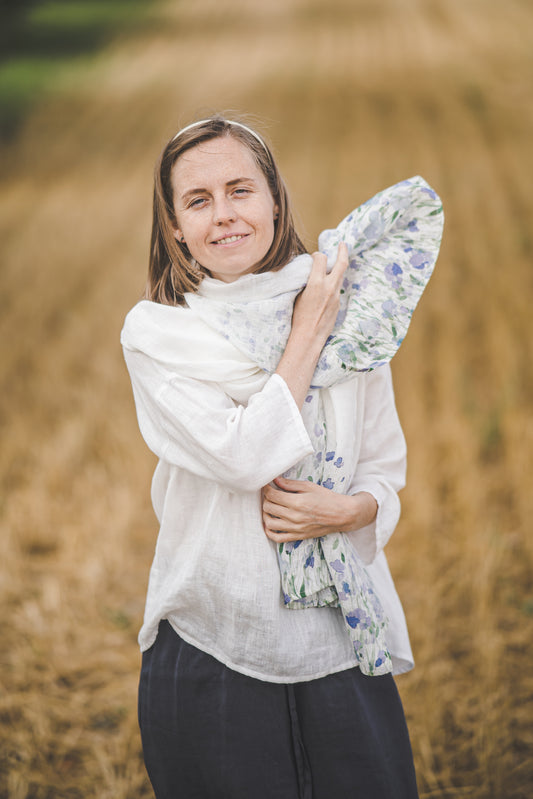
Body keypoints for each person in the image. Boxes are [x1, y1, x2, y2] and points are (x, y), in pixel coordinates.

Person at [121, 114, 443, 798]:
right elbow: (245, 456)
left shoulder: (347, 311)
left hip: (337, 647)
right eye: (198, 200)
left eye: (241, 190)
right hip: (215, 647)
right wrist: (306, 334)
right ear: (175, 225)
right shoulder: (159, 336)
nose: (225, 215)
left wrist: (350, 510)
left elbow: (384, 470)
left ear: (274, 199)